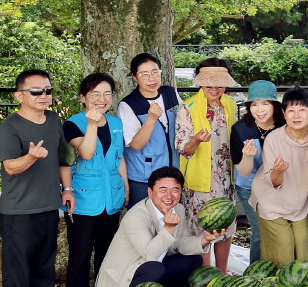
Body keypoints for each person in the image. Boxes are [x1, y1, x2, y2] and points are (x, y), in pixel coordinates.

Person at [0, 69, 68, 287]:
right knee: (18, 272)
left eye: (47, 90)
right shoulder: (10, 127)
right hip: (18, 212)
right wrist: (30, 156)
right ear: (19, 95)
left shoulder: (53, 119)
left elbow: (64, 156)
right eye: (36, 91)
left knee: (43, 269)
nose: (43, 96)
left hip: (49, 206)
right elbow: (10, 167)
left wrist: (68, 190)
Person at [91, 166, 221, 287]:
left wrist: (205, 239)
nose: (169, 195)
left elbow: (181, 242)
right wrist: (169, 227)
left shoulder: (178, 209)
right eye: (163, 190)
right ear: (150, 192)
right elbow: (149, 255)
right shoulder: (136, 216)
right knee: (155, 268)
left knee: (193, 260)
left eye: (175, 190)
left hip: (151, 269)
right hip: (124, 278)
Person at [62, 73, 128, 287]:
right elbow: (86, 153)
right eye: (95, 94)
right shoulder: (72, 124)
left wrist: (124, 186)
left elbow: (119, 157)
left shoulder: (116, 123)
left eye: (107, 94)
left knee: (107, 253)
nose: (102, 100)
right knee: (80, 255)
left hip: (111, 197)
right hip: (82, 198)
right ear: (83, 97)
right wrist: (92, 124)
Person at [175, 58, 238, 272]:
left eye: (219, 82)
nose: (214, 87)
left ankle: (221, 273)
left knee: (225, 225)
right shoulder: (188, 107)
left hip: (225, 177)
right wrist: (196, 140)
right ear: (200, 82)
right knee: (202, 228)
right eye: (208, 82)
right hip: (200, 179)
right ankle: (204, 276)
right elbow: (183, 148)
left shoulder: (230, 104)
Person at [250, 87, 308, 265]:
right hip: (271, 201)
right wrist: (278, 171)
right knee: (284, 250)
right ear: (284, 113)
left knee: (302, 252)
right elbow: (273, 181)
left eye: (302, 109)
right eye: (291, 110)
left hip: (298, 203)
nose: (296, 115)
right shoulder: (274, 139)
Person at [229, 80, 281, 266]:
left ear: (274, 105)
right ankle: (256, 272)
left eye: (265, 103)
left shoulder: (284, 125)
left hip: (278, 185)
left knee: (279, 229)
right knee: (260, 231)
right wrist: (248, 156)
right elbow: (243, 170)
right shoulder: (241, 129)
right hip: (249, 187)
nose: (259, 109)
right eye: (254, 104)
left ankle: (278, 268)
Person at [120, 52, 180, 207]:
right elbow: (136, 145)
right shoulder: (129, 104)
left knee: (169, 219)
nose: (151, 79)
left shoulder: (170, 93)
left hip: (173, 174)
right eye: (144, 74)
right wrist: (151, 119)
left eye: (155, 72)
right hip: (144, 178)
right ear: (135, 77)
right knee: (144, 220)